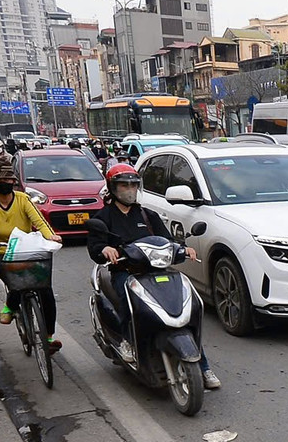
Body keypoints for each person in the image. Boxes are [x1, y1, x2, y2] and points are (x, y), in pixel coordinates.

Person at [86, 162, 220, 390]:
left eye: (133, 185)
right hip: (126, 273)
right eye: (123, 185)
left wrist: (183, 248)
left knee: (188, 311)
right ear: (113, 188)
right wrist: (104, 250)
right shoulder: (104, 217)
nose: (129, 190)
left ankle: (204, 366)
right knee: (130, 303)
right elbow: (96, 247)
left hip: (157, 272)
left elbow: (167, 240)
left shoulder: (148, 215)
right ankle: (128, 341)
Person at [0, 153, 60, 344]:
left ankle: (49, 337)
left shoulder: (23, 199)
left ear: (13, 180)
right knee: (17, 282)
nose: (1, 182)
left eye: (6, 178)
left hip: (26, 251)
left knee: (45, 290)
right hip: (0, 252)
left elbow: (40, 221)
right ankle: (10, 306)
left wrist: (50, 235)